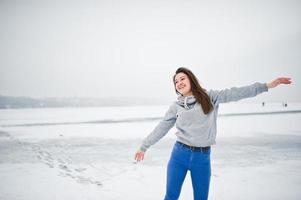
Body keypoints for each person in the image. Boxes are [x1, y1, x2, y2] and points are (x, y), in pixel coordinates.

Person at [134, 67, 292, 200]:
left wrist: (268, 85)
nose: (179, 83)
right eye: (176, 82)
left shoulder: (210, 98)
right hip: (179, 155)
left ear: (191, 80)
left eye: (182, 79)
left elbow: (237, 92)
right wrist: (144, 146)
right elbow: (162, 127)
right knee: (170, 197)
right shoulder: (176, 107)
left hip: (202, 158)